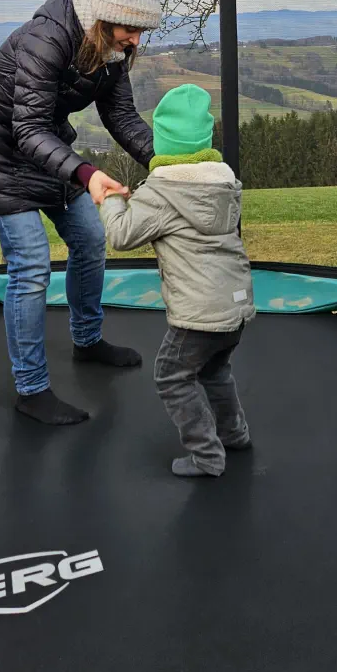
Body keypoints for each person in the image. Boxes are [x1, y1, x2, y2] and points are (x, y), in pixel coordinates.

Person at [0, 0, 161, 426]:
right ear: (105, 16)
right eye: (131, 28)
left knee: (89, 241)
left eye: (141, 31)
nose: (136, 40)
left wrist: (169, 165)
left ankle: (87, 341)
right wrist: (86, 174)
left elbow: (123, 119)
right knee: (30, 265)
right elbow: (26, 128)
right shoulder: (46, 38)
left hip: (46, 155)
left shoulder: (108, 53)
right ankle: (31, 389)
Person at [97, 83, 254, 477]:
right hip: (235, 306)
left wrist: (111, 199)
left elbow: (121, 235)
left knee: (170, 375)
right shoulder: (224, 184)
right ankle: (234, 434)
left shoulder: (163, 191)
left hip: (197, 315)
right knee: (215, 371)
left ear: (163, 146)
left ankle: (206, 455)